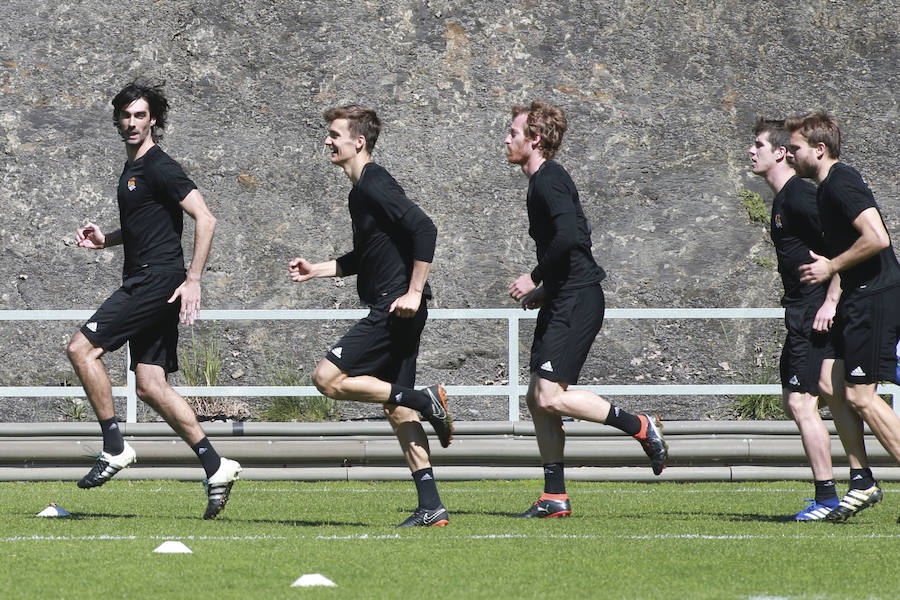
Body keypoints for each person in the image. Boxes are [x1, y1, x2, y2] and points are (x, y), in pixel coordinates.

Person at [67, 80, 241, 519]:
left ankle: (114, 445)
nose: (131, 122)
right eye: (125, 115)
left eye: (140, 115)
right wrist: (105, 239)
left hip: (155, 281)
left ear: (154, 120)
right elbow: (148, 226)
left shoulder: (160, 166)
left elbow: (206, 218)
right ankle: (216, 465)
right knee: (150, 384)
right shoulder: (132, 171)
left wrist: (194, 279)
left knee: (81, 348)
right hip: (151, 277)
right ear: (117, 119)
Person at [289, 105, 453, 527]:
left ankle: (426, 399)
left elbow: (425, 229)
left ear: (357, 142)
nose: (327, 140)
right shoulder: (359, 190)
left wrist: (414, 292)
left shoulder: (373, 184)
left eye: (334, 134)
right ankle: (431, 505)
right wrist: (318, 270)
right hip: (397, 307)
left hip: (395, 308)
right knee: (397, 410)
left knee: (326, 378)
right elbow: (366, 256)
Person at [504, 101, 668, 518]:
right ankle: (554, 496)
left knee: (547, 394)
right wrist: (548, 289)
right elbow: (575, 238)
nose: (506, 139)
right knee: (537, 399)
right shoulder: (540, 181)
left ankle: (640, 426)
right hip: (565, 294)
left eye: (513, 132)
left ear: (534, 139)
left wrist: (535, 277)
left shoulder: (549, 179)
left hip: (578, 298)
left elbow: (571, 236)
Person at [786, 111, 900, 521]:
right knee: (827, 381)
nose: (790, 154)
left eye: (795, 148)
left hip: (876, 297)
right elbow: (844, 252)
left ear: (819, 149)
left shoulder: (842, 182)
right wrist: (832, 296)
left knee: (861, 396)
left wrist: (831, 268)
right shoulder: (824, 189)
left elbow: (877, 238)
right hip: (855, 298)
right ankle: (862, 479)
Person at [748, 118, 852, 520]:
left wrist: (830, 301)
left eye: (758, 144)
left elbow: (843, 245)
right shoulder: (783, 200)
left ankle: (828, 497)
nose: (750, 151)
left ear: (780, 153)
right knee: (830, 393)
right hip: (803, 310)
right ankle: (859, 480)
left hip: (814, 312)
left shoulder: (798, 196)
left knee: (800, 401)